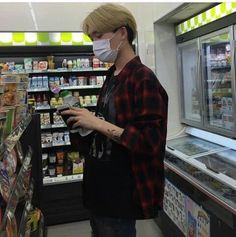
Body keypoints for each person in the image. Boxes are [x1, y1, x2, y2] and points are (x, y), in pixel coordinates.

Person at [61, 3, 168, 237]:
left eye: (98, 36)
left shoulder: (143, 78)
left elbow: (150, 142)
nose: (95, 44)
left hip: (121, 194)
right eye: (92, 38)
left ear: (122, 33)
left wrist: (97, 123)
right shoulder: (112, 77)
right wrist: (82, 124)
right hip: (99, 190)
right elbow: (106, 130)